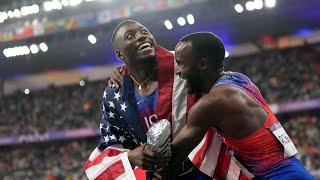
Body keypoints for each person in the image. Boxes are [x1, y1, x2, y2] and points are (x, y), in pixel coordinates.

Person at [84, 20, 252, 180]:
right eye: (130, 36)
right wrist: (131, 157)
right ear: (119, 54)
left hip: (205, 171)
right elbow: (110, 143)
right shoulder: (116, 93)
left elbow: (221, 81)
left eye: (145, 32)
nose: (141, 36)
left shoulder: (183, 65)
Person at [168, 32, 314, 179]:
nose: (178, 71)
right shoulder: (239, 79)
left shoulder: (213, 103)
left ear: (202, 64)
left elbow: (172, 156)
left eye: (181, 64)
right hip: (293, 170)